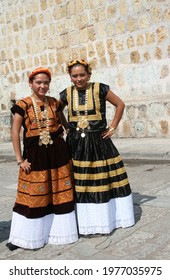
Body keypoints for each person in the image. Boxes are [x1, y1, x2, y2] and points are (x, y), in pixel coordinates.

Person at [59, 59, 135, 236]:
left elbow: (120, 104)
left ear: (89, 74)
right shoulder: (66, 93)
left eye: (82, 75)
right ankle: (85, 223)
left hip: (99, 142)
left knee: (103, 180)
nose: (79, 79)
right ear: (70, 77)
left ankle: (107, 219)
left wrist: (113, 127)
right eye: (75, 75)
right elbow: (57, 110)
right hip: (76, 144)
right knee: (81, 182)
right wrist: (65, 127)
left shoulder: (100, 88)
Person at [6, 67, 78, 251]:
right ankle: (27, 237)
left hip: (57, 154)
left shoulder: (54, 103)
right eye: (38, 82)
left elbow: (63, 123)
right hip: (35, 157)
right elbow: (15, 132)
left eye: (46, 82)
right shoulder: (23, 105)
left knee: (58, 192)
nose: (42, 86)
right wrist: (20, 160)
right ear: (31, 83)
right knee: (33, 195)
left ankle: (58, 233)